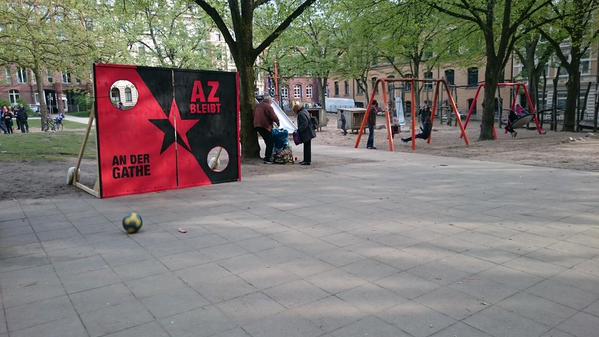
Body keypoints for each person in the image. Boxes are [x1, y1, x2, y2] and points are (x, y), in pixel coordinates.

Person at [254, 96, 279, 163]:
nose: (271, 103)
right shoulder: (268, 106)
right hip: (264, 126)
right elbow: (273, 116)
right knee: (270, 142)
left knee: (267, 141)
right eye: (271, 102)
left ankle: (267, 157)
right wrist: (277, 122)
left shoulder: (258, 105)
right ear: (269, 101)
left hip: (257, 125)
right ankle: (268, 158)